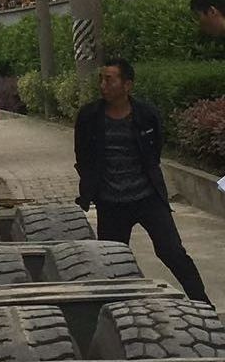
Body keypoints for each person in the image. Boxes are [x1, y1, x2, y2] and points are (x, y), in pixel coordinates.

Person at [74, 56, 209, 303]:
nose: (103, 85)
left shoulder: (146, 115)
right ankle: (118, 312)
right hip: (111, 202)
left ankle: (202, 304)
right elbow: (82, 155)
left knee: (172, 252)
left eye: (109, 79)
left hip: (147, 198)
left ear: (127, 85)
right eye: (101, 80)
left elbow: (154, 151)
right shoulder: (89, 116)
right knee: (112, 261)